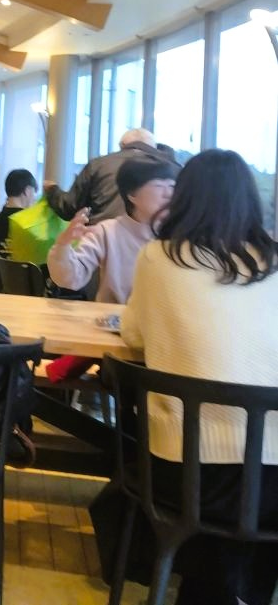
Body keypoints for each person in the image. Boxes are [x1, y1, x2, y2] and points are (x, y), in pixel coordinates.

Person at [108, 149, 278, 605]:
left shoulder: (159, 258)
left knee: (199, 488)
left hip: (187, 475)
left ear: (183, 198)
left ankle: (206, 588)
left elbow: (135, 335)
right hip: (272, 484)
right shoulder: (273, 263)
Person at [47, 158, 178, 303]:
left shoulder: (179, 235)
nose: (168, 194)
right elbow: (70, 278)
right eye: (159, 186)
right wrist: (63, 245)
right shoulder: (107, 232)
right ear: (132, 195)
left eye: (172, 186)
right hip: (115, 315)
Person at [44, 128, 174, 224]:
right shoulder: (173, 169)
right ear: (153, 147)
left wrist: (52, 190)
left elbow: (69, 208)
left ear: (122, 146)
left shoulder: (98, 165)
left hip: (101, 243)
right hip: (153, 244)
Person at [0, 168, 38, 293]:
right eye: (34, 192)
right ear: (27, 191)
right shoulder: (28, 224)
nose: (34, 198)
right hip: (22, 293)